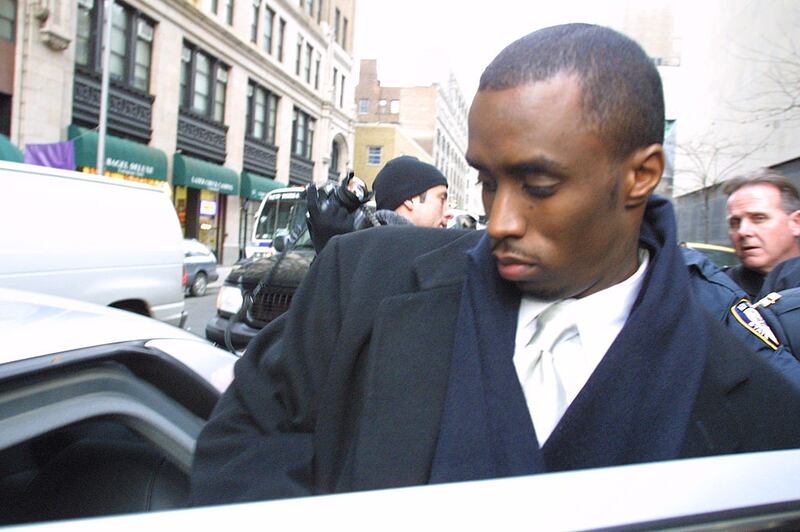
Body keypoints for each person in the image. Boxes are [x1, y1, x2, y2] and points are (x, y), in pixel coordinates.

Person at [190, 23, 800, 505]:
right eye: (487, 182)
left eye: (537, 184)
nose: (500, 221)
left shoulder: (761, 413)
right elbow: (245, 442)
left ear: (640, 175)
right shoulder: (363, 279)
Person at [305, 156, 453, 252]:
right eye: (442, 198)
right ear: (410, 200)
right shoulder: (369, 254)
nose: (450, 213)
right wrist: (331, 255)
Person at [724, 169, 800, 299]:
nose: (743, 231)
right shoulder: (716, 291)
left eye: (759, 218)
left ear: (796, 223)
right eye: (735, 222)